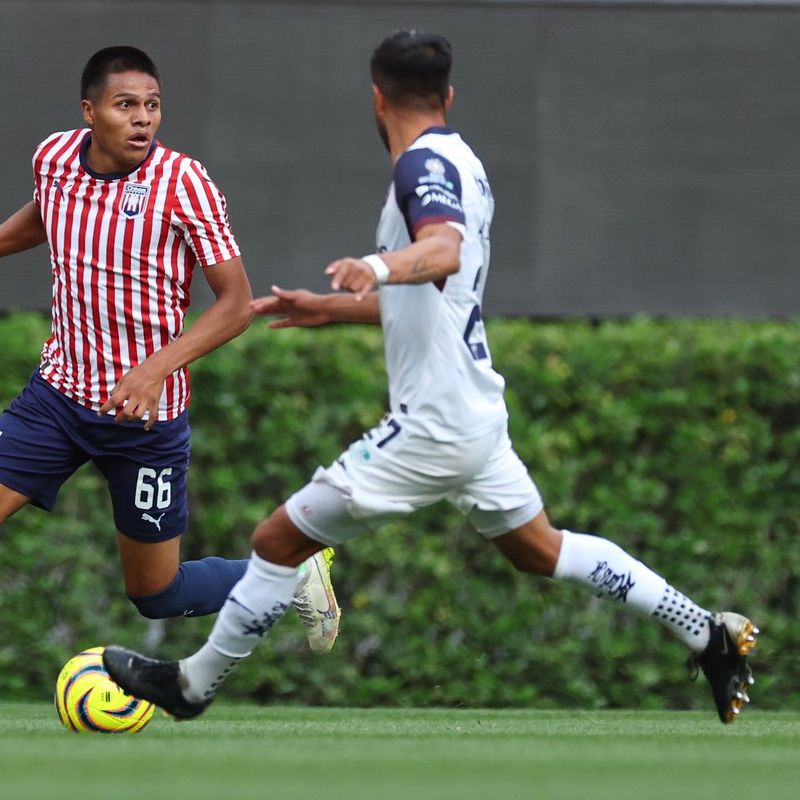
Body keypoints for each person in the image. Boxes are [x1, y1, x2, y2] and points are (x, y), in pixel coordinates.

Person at [103, 30, 758, 725]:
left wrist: (378, 266)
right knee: (542, 549)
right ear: (447, 96)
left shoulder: (420, 167)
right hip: (476, 413)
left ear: (377, 99)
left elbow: (440, 251)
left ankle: (193, 684)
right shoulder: (465, 160)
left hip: (433, 424)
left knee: (277, 542)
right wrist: (332, 306)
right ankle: (706, 631)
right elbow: (436, 296)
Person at [0, 46, 339, 733]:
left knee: (156, 594)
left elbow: (234, 305)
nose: (142, 119)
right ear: (90, 112)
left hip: (145, 418)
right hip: (55, 399)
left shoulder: (183, 182)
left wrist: (155, 368)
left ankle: (290, 578)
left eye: (152, 105)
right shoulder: (54, 157)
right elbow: (48, 214)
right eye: (125, 105)